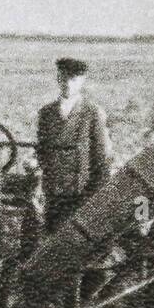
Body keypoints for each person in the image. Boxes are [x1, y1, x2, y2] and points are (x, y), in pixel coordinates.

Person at [35, 57, 111, 233]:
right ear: (58, 79)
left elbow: (102, 160)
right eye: (63, 78)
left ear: (82, 82)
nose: (68, 84)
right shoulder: (46, 114)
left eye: (73, 80)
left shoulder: (93, 113)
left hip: (81, 193)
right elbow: (42, 153)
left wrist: (93, 199)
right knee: (52, 240)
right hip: (54, 193)